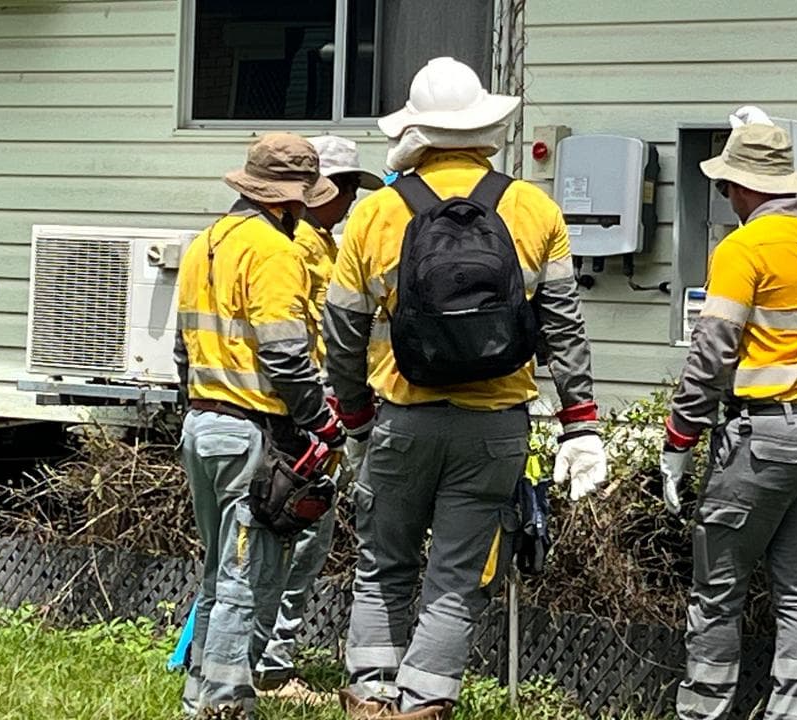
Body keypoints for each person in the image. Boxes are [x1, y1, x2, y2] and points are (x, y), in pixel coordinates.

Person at [323, 56, 607, 720]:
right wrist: (582, 426)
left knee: (383, 565)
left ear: (416, 131)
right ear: (485, 126)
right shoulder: (535, 208)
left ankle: (370, 698)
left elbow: (342, 333)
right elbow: (564, 329)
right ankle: (425, 703)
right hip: (496, 427)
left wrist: (356, 421)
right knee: (455, 579)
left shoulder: (376, 215)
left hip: (401, 420)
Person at [659, 117, 797, 720]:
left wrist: (679, 440)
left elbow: (712, 354)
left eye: (725, 188)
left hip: (766, 436)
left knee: (718, 592)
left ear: (744, 188)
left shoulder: (742, 248)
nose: (725, 200)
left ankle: (703, 712)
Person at [174, 132, 345, 717]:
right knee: (247, 584)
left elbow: (181, 348)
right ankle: (224, 706)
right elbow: (285, 355)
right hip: (255, 434)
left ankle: (199, 693)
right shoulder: (275, 251)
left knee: (217, 577)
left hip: (202, 424)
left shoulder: (206, 242)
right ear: (289, 199)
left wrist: (195, 405)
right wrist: (322, 423)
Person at [253, 135, 382, 694]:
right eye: (345, 185)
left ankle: (257, 656)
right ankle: (268, 663)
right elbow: (294, 341)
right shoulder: (295, 246)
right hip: (303, 413)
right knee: (298, 530)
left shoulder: (325, 242)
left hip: (320, 407)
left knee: (303, 532)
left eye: (355, 186)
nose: (352, 197)